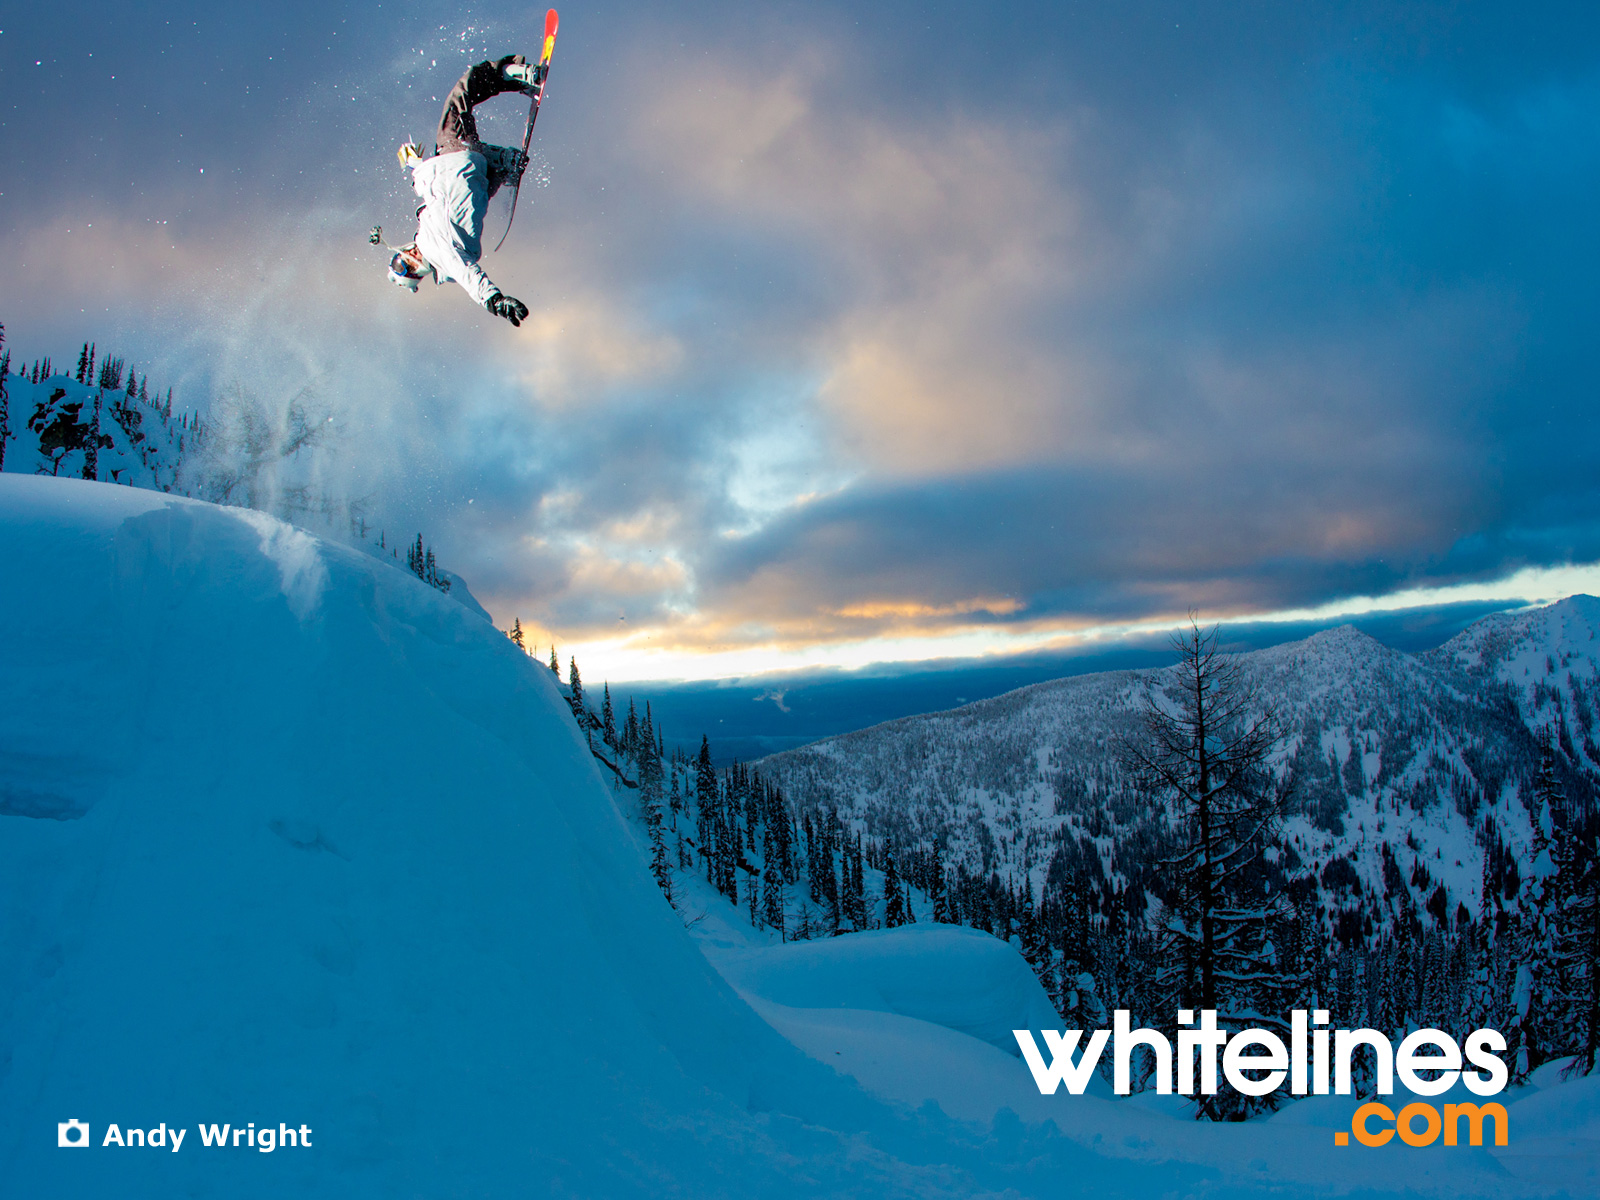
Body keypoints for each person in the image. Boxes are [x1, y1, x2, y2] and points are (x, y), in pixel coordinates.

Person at [385, 55, 542, 326]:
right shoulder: (436, 249)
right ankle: (516, 74)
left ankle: (503, 162)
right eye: (407, 265)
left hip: (474, 172)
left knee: (472, 190)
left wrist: (416, 167)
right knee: (459, 98)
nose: (408, 255)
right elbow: (468, 275)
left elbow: (448, 200)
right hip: (456, 158)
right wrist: (494, 300)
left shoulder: (442, 237)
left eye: (401, 257)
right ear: (417, 270)